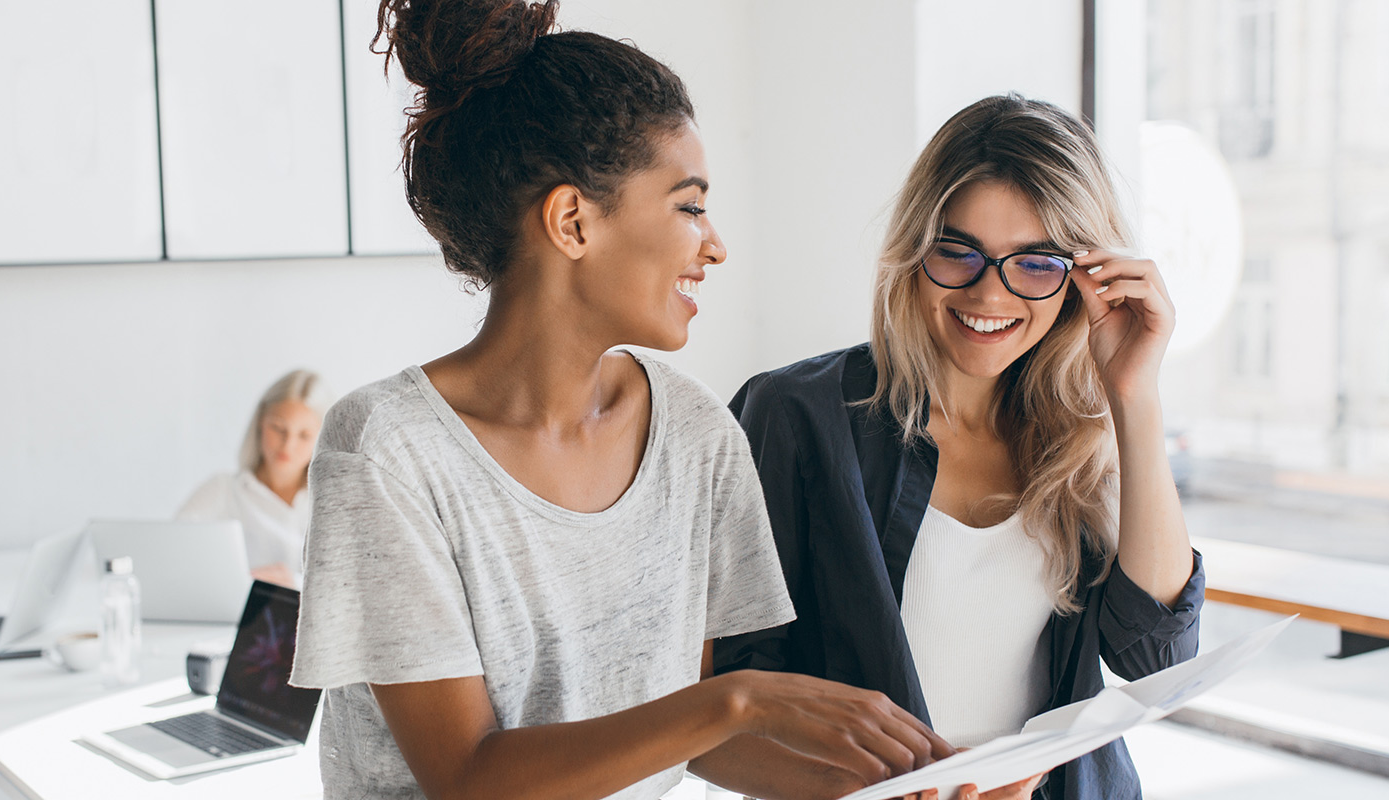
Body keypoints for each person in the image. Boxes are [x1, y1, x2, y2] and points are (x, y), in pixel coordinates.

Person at [288, 1, 958, 798]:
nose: (714, 245)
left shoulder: (697, 434)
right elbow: (467, 779)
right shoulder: (387, 451)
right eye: (689, 205)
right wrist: (735, 702)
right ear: (572, 220)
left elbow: (687, 747)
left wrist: (912, 785)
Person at [713, 94, 1207, 800]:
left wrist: (1134, 395)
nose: (988, 294)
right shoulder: (793, 415)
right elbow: (724, 704)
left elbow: (1155, 660)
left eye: (1034, 263)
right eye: (957, 252)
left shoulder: (1085, 435)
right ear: (914, 250)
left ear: (1081, 279)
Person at [176, 369, 332, 586]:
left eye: (304, 436)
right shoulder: (223, 490)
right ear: (260, 423)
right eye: (278, 428)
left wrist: (295, 584)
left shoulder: (334, 502)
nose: (288, 445)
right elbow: (174, 553)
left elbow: (352, 585)